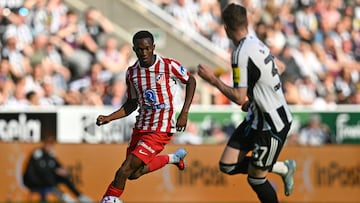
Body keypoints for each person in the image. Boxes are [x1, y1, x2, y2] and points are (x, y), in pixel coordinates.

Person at [197, 3, 296, 203]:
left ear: (225, 28)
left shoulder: (240, 53)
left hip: (272, 124)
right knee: (227, 165)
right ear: (247, 22)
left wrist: (213, 80)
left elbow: (238, 97)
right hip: (257, 116)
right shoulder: (256, 42)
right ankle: (282, 168)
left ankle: (278, 169)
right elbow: (281, 66)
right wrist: (258, 98)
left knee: (256, 179)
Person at [96, 30, 196, 203]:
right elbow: (132, 104)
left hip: (161, 128)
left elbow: (191, 81)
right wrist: (109, 117)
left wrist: (184, 112)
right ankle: (173, 158)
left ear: (153, 48)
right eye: (140, 49)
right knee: (134, 174)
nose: (143, 53)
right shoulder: (132, 73)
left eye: (147, 48)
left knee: (123, 171)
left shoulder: (168, 66)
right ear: (134, 49)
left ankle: (107, 200)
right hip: (141, 126)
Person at [22, 135, 92, 203]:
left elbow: (58, 165)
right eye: (48, 144)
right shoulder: (37, 153)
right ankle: (63, 197)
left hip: (48, 180)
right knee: (48, 176)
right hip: (34, 181)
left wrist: (63, 170)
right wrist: (55, 170)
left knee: (64, 178)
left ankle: (80, 196)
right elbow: (40, 170)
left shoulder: (51, 155)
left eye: (51, 145)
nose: (49, 147)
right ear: (45, 144)